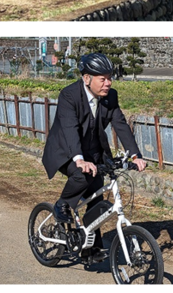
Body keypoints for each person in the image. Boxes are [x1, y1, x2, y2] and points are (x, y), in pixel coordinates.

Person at [42, 53, 146, 262]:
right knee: (82, 176)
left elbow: (121, 125)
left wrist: (135, 155)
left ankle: (91, 248)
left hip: (94, 152)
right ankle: (62, 204)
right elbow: (70, 129)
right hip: (66, 152)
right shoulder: (69, 95)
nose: (108, 83)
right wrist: (79, 159)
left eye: (110, 78)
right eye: (103, 79)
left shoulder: (110, 96)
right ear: (87, 78)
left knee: (97, 192)